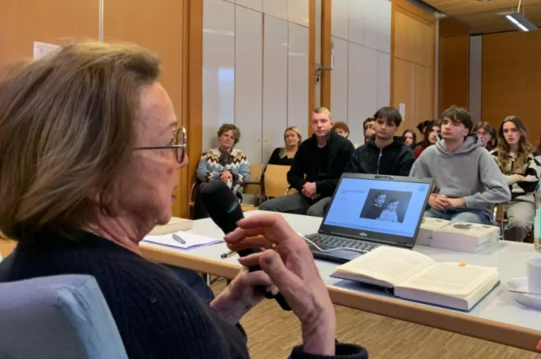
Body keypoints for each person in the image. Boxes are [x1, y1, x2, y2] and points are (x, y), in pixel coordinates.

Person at [0, 42, 366, 359]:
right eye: (171, 142)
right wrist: (319, 321)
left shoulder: (17, 273)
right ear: (92, 171)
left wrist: (223, 309)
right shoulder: (154, 299)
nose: (182, 160)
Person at [410, 106, 510, 224]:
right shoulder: (429, 153)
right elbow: (413, 186)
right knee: (419, 225)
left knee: (458, 226)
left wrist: (463, 201)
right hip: (438, 210)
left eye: (455, 124)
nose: (447, 127)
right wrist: (429, 198)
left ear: (466, 131)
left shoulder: (480, 154)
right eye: (445, 122)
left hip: (473, 211)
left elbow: (502, 192)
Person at [259, 107, 354, 217]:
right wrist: (305, 186)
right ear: (311, 125)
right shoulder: (306, 146)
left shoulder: (344, 146)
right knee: (265, 207)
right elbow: (292, 175)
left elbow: (348, 179)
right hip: (307, 194)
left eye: (323, 121)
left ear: (331, 124)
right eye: (315, 122)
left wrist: (317, 187)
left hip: (333, 195)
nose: (319, 125)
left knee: (313, 212)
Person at [490, 116, 541, 242]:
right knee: (481, 225)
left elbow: (532, 182)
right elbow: (491, 180)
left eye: (513, 130)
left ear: (521, 132)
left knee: (519, 224)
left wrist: (505, 181)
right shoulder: (493, 155)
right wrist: (519, 177)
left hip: (521, 199)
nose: (510, 134)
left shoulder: (533, 155)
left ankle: (509, 248)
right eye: (505, 131)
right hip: (494, 198)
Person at [345, 106, 415, 176]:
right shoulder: (359, 153)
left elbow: (405, 183)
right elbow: (352, 181)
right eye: (380, 122)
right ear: (374, 123)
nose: (383, 127)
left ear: (396, 128)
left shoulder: (405, 154)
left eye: (389, 124)